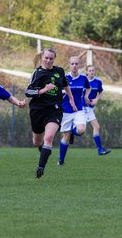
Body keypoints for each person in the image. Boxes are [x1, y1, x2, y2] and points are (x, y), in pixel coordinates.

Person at [25, 48, 76, 179]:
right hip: (38, 110)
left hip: (54, 109)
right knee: (37, 142)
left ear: (54, 59)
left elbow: (65, 86)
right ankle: (45, 152)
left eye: (51, 58)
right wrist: (44, 90)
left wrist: (71, 99)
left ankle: (41, 167)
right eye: (46, 58)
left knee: (48, 138)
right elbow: (28, 92)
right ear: (42, 57)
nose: (48, 61)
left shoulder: (59, 71)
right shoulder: (37, 73)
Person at [58, 56, 91, 166]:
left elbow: (88, 87)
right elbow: (57, 91)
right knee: (66, 137)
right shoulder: (64, 78)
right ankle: (61, 161)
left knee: (81, 131)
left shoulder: (83, 78)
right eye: (72, 64)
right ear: (69, 65)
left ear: (79, 65)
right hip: (66, 111)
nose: (74, 66)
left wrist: (86, 96)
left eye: (76, 64)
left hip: (78, 109)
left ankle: (73, 131)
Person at [83, 65, 111, 155]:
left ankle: (100, 149)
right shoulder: (83, 80)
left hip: (90, 108)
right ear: (86, 72)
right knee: (83, 129)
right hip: (82, 108)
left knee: (96, 127)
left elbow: (100, 92)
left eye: (93, 70)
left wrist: (96, 99)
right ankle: (100, 149)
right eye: (90, 70)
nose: (91, 72)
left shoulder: (98, 81)